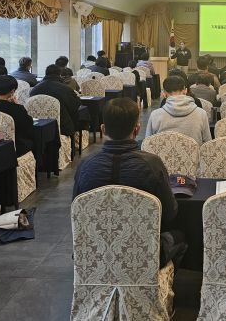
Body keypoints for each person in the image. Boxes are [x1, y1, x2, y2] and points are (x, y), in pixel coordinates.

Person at [72, 97, 185, 267]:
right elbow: (169, 213)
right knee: (180, 236)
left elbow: (76, 210)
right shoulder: (152, 164)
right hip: (143, 253)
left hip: (95, 253)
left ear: (103, 129)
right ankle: (156, 280)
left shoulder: (85, 166)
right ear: (137, 129)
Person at [146, 75, 211, 145]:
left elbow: (147, 143)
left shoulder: (155, 115)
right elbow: (207, 143)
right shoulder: (201, 114)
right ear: (185, 91)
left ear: (164, 93)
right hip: (194, 152)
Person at [30, 64, 81, 138]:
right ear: (59, 75)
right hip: (61, 127)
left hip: (36, 127)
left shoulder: (35, 89)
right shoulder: (65, 89)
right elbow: (75, 105)